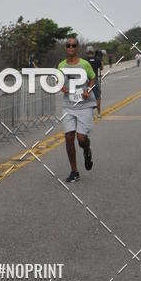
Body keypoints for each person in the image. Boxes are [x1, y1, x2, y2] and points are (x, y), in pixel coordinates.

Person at [58, 36, 97, 182]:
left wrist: (88, 88)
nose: (70, 48)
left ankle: (87, 151)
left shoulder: (84, 64)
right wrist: (61, 86)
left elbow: (93, 78)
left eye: (73, 45)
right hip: (69, 105)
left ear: (77, 48)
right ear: (65, 48)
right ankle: (74, 171)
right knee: (69, 137)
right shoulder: (61, 65)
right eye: (68, 45)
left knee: (81, 139)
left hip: (84, 105)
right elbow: (58, 80)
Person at [85, 45, 103, 117]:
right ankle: (98, 113)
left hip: (86, 81)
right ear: (93, 51)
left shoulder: (84, 60)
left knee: (87, 97)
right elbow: (101, 68)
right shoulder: (97, 59)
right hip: (95, 80)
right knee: (97, 97)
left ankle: (89, 113)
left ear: (86, 52)